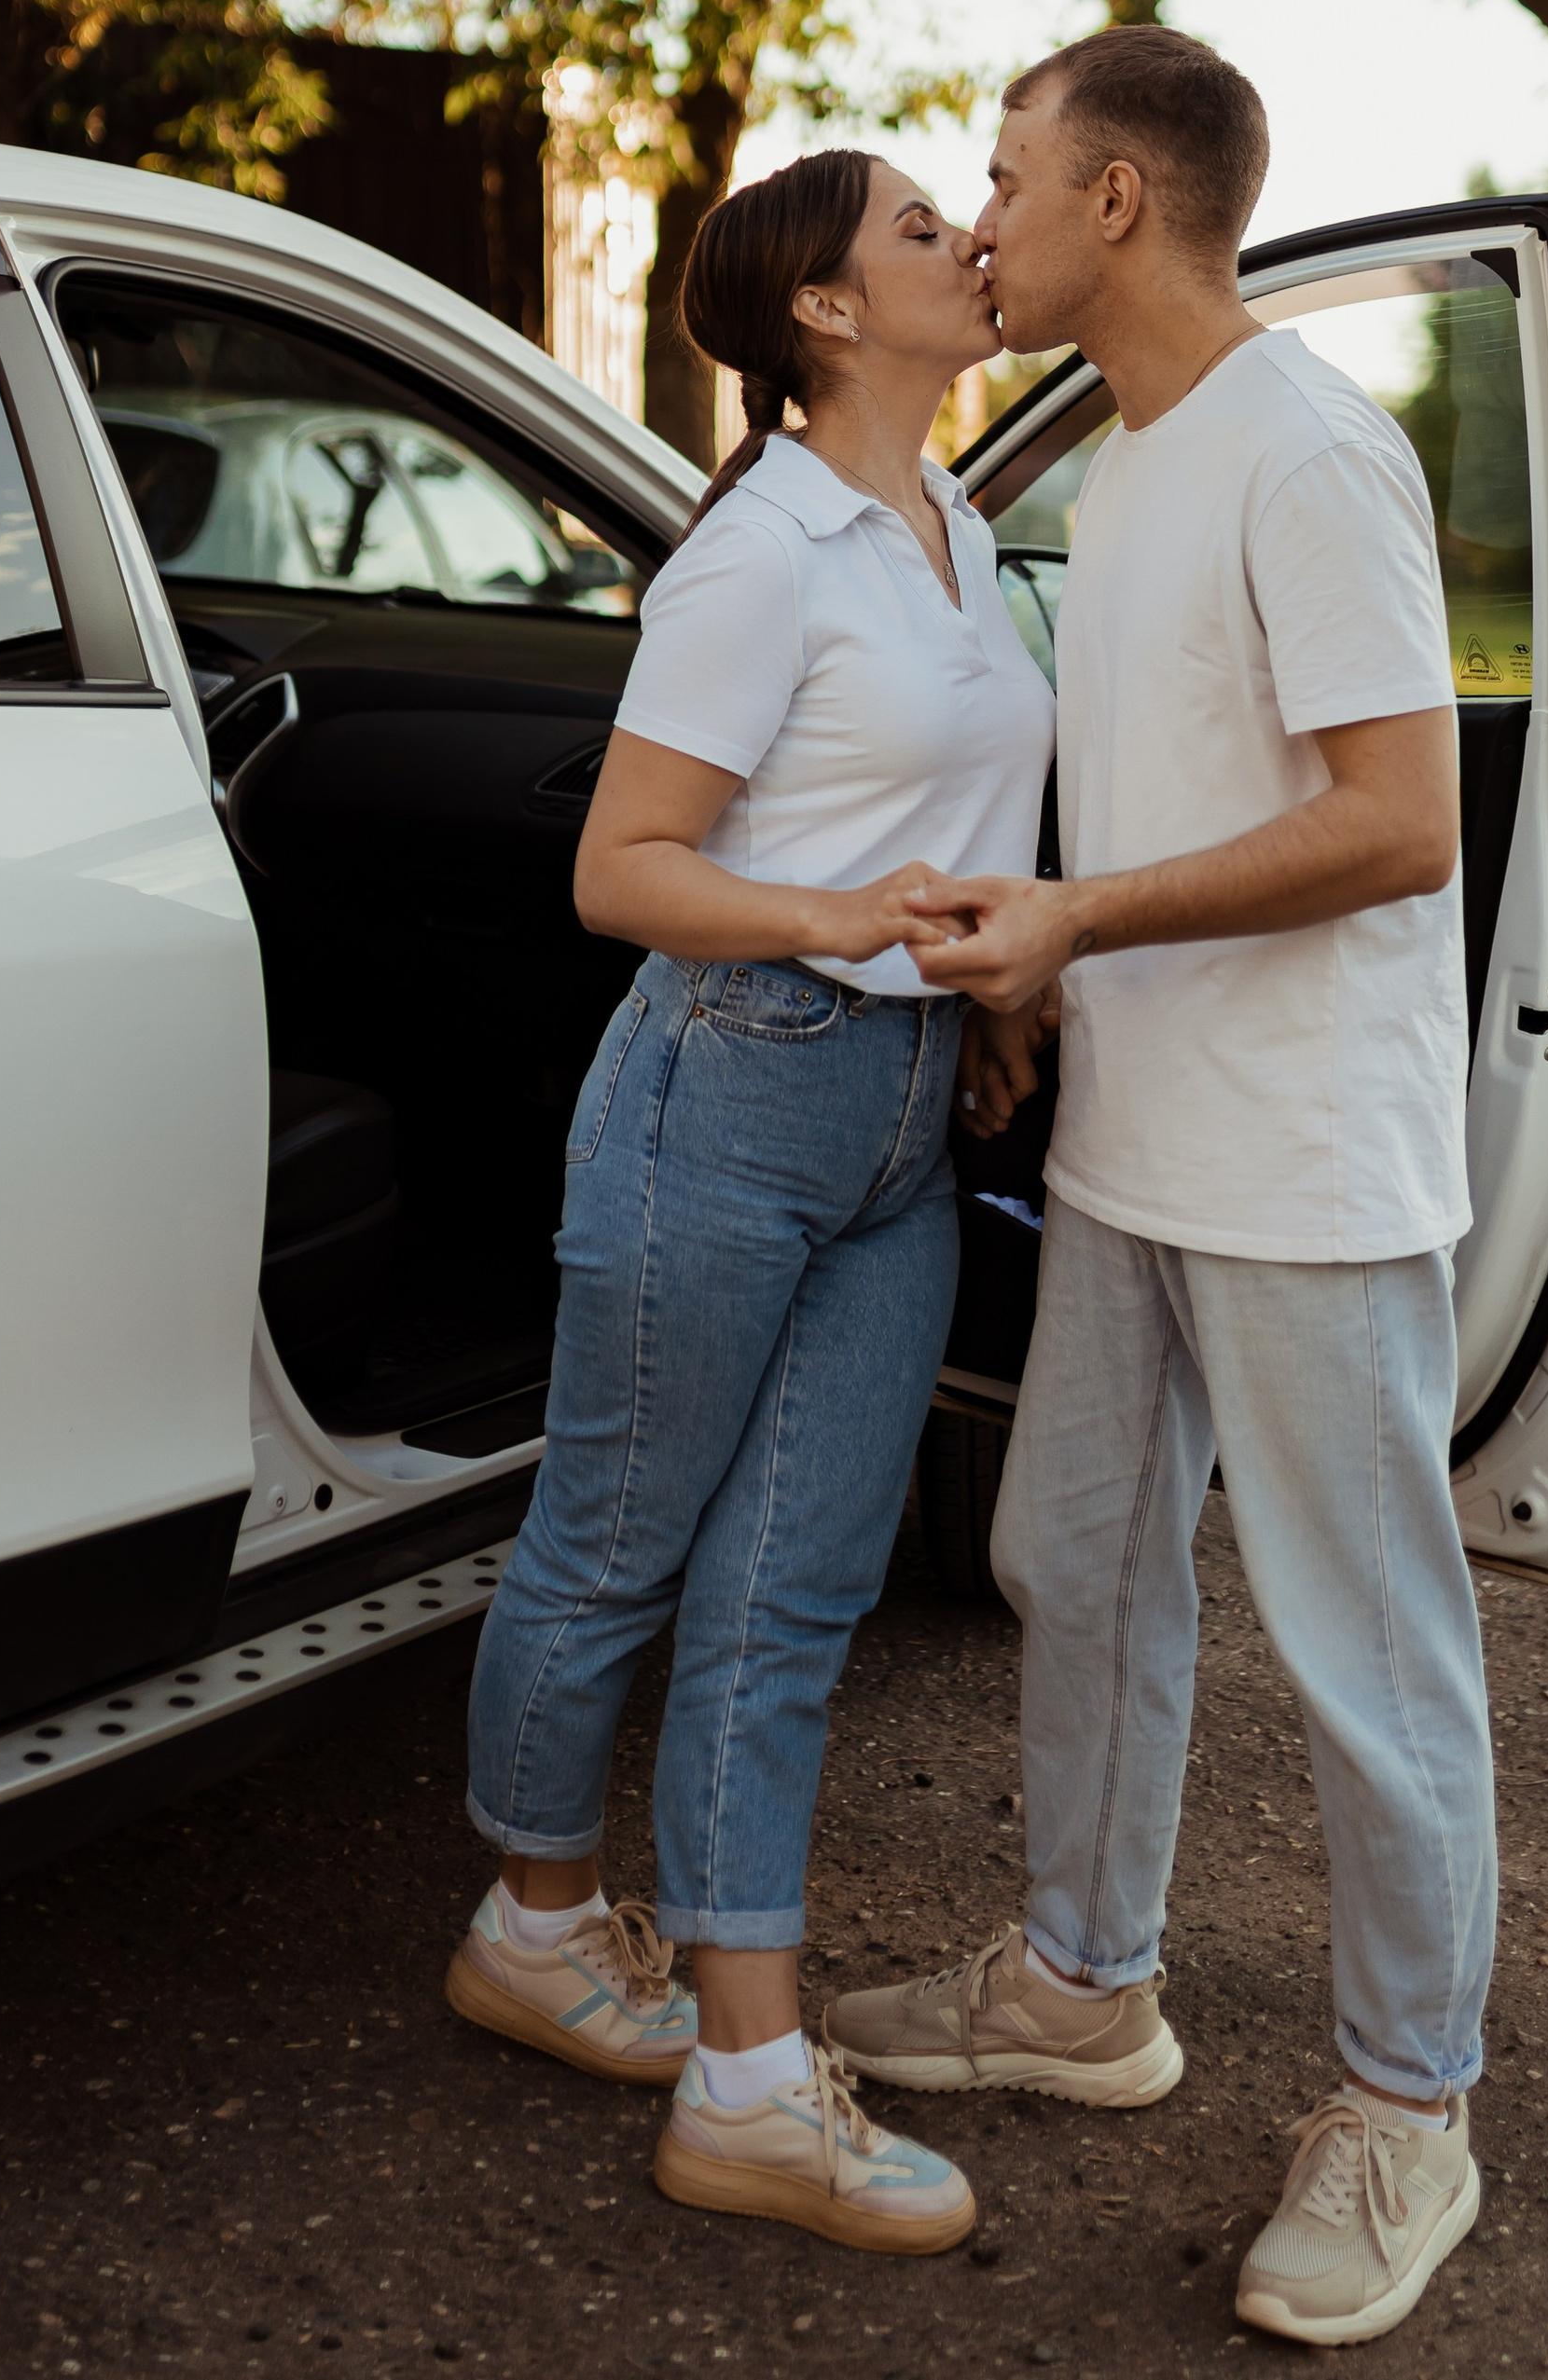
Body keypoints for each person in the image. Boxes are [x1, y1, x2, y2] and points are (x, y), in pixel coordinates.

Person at [822, 27, 1497, 2349]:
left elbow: (1400, 818)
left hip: (1308, 1163)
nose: (976, 220)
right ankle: (1086, 1983)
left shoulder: (1308, 449)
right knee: (1065, 1557)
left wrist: (1080, 924)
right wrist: (1047, 974)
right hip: (1130, 1141)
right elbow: (1146, 796)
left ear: (1115, 200)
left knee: (1362, 1648)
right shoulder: (1121, 470)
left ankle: (1411, 2105)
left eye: (1002, 179)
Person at [447, 148, 1055, 2255]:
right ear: (817, 306)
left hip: (901, 1106)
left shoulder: (958, 523)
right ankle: (541, 1931)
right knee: (614, 1542)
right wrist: (847, 919)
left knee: (798, 1590)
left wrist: (981, 997)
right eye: (914, 224)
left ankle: (734, 2068)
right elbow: (624, 870)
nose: (963, 242)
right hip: (733, 1076)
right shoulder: (760, 550)